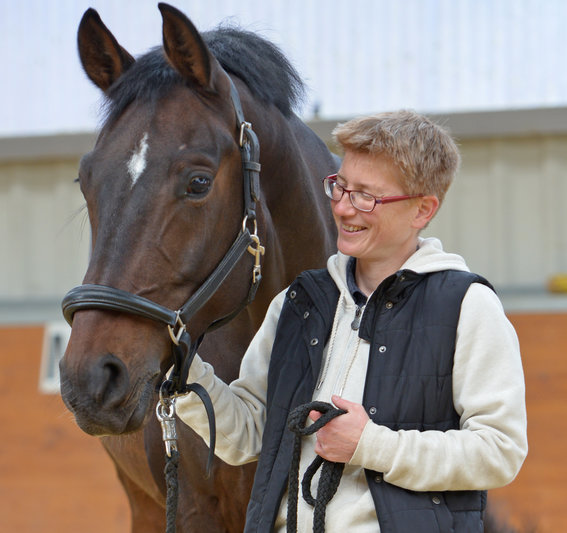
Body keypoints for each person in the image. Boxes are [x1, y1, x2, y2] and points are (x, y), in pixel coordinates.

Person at [176, 110, 528, 532]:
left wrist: (372, 446)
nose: (342, 208)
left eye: (366, 196)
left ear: (422, 209)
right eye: (339, 186)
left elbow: (499, 451)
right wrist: (183, 374)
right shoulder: (296, 302)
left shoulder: (467, 306)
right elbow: (251, 434)